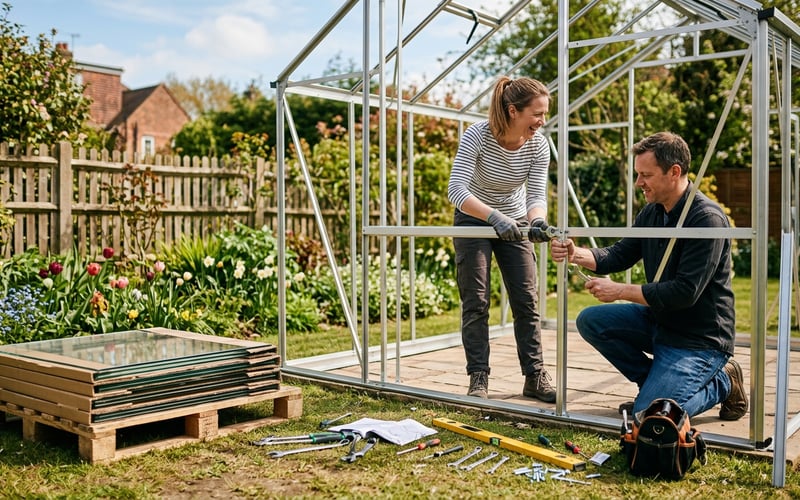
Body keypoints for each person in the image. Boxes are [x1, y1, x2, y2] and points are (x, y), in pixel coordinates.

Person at [550, 131, 747, 420]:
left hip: (698, 338)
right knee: (591, 321)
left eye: (646, 175)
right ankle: (655, 389)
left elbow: (683, 292)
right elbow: (620, 254)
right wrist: (575, 253)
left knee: (649, 415)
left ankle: (723, 382)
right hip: (660, 322)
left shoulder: (707, 219)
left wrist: (619, 291)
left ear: (674, 172)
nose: (638, 182)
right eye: (638, 174)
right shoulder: (652, 212)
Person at [447, 76, 556, 403]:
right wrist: (494, 217)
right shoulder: (476, 136)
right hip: (473, 217)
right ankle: (478, 376)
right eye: (537, 113)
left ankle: (534, 376)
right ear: (512, 110)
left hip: (516, 218)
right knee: (476, 300)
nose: (542, 120)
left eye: (545, 113)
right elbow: (456, 191)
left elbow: (536, 194)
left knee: (526, 299)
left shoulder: (538, 145)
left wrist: (536, 221)